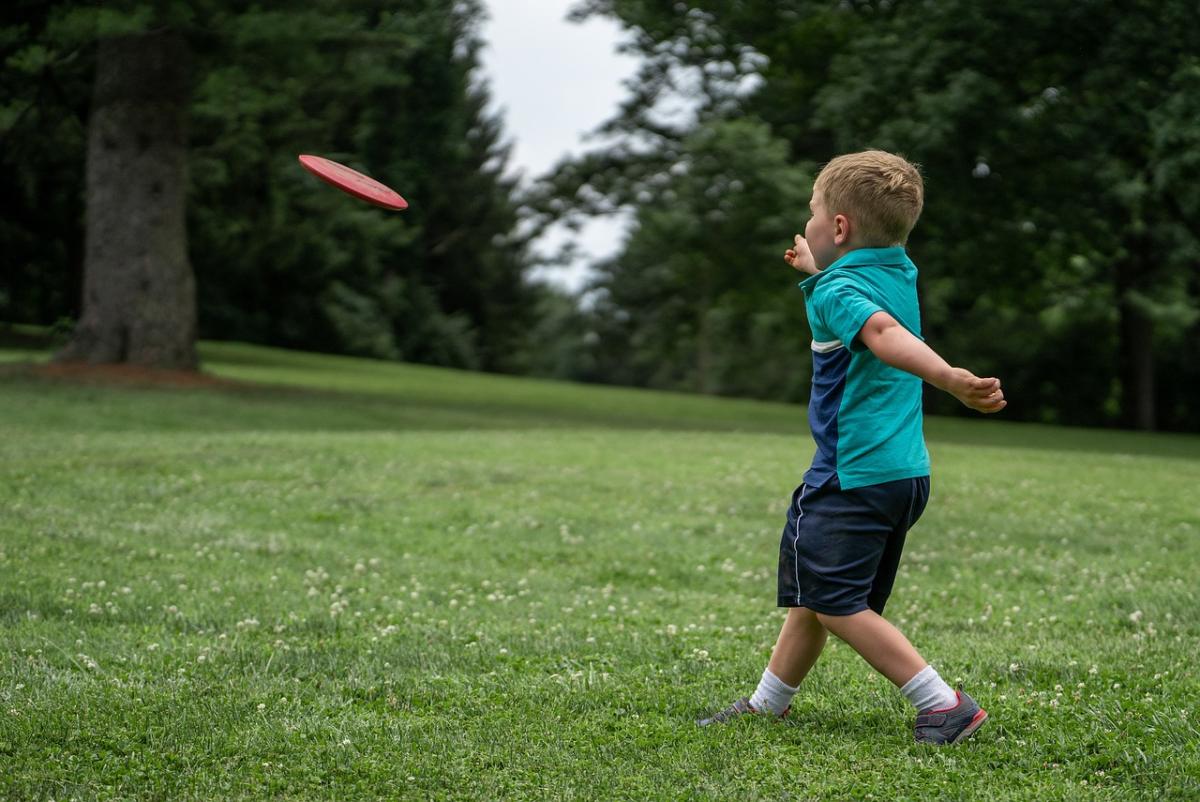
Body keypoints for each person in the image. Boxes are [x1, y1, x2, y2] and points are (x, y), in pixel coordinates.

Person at [697, 150, 1006, 744]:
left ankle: (943, 703)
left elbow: (881, 331)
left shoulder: (837, 291)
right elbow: (861, 290)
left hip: (851, 473)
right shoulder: (898, 270)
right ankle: (768, 702)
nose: (807, 221)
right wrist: (817, 269)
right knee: (816, 595)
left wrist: (949, 379)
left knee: (835, 601)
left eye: (814, 211)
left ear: (838, 226)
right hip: (903, 474)